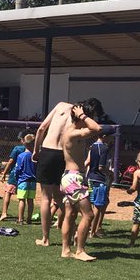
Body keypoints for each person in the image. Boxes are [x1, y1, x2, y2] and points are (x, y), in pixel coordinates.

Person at [32, 99, 103, 247]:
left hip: (48, 150)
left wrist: (35, 151)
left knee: (46, 198)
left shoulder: (61, 106)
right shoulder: (78, 119)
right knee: (62, 198)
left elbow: (41, 128)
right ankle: (74, 229)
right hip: (65, 156)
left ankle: (45, 238)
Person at [59, 103, 103, 261]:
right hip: (73, 178)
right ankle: (80, 251)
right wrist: (82, 115)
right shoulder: (73, 133)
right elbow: (97, 129)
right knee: (88, 215)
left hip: (70, 176)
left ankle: (65, 250)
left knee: (70, 214)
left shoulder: (71, 132)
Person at [86, 130, 113, 237]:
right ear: (105, 136)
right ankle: (93, 231)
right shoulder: (104, 148)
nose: (111, 139)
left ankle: (92, 228)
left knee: (93, 204)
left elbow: (87, 162)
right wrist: (110, 173)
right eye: (110, 136)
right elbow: (101, 167)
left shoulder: (92, 146)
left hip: (90, 178)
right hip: (100, 180)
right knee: (98, 206)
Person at [0, 132, 27, 221]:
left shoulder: (17, 148)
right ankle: (23, 217)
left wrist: (4, 173)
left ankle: (4, 213)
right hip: (26, 175)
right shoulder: (33, 149)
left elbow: (11, 161)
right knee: (23, 197)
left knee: (8, 192)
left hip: (15, 173)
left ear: (22, 139)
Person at [12, 133, 37, 225]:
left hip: (23, 180)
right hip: (33, 181)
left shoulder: (21, 156)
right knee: (30, 201)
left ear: (24, 143)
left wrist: (16, 177)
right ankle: (29, 219)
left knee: (22, 200)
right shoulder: (35, 156)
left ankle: (20, 219)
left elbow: (18, 168)